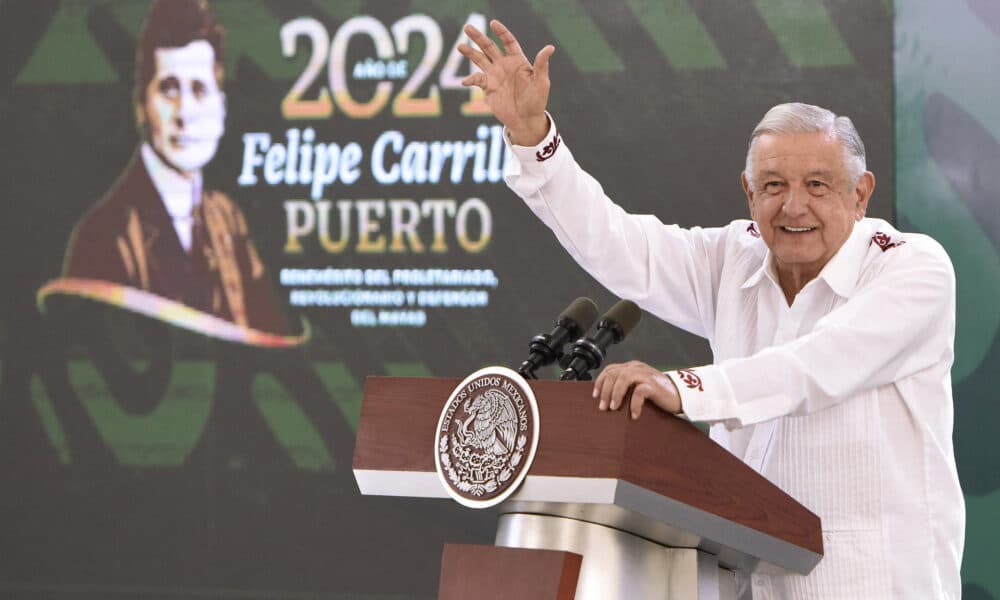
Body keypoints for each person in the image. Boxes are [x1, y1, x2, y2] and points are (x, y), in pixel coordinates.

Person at [459, 20, 964, 599]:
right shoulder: (733, 257)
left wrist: (684, 389)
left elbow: (816, 366)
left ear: (861, 193)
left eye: (818, 185)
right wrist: (531, 138)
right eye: (773, 185)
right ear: (749, 195)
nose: (793, 205)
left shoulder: (913, 268)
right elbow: (621, 245)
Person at [61, 0, 290, 338]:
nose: (185, 112)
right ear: (141, 107)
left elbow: (270, 336)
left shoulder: (226, 218)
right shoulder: (103, 236)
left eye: (199, 90)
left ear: (221, 109)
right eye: (168, 89)